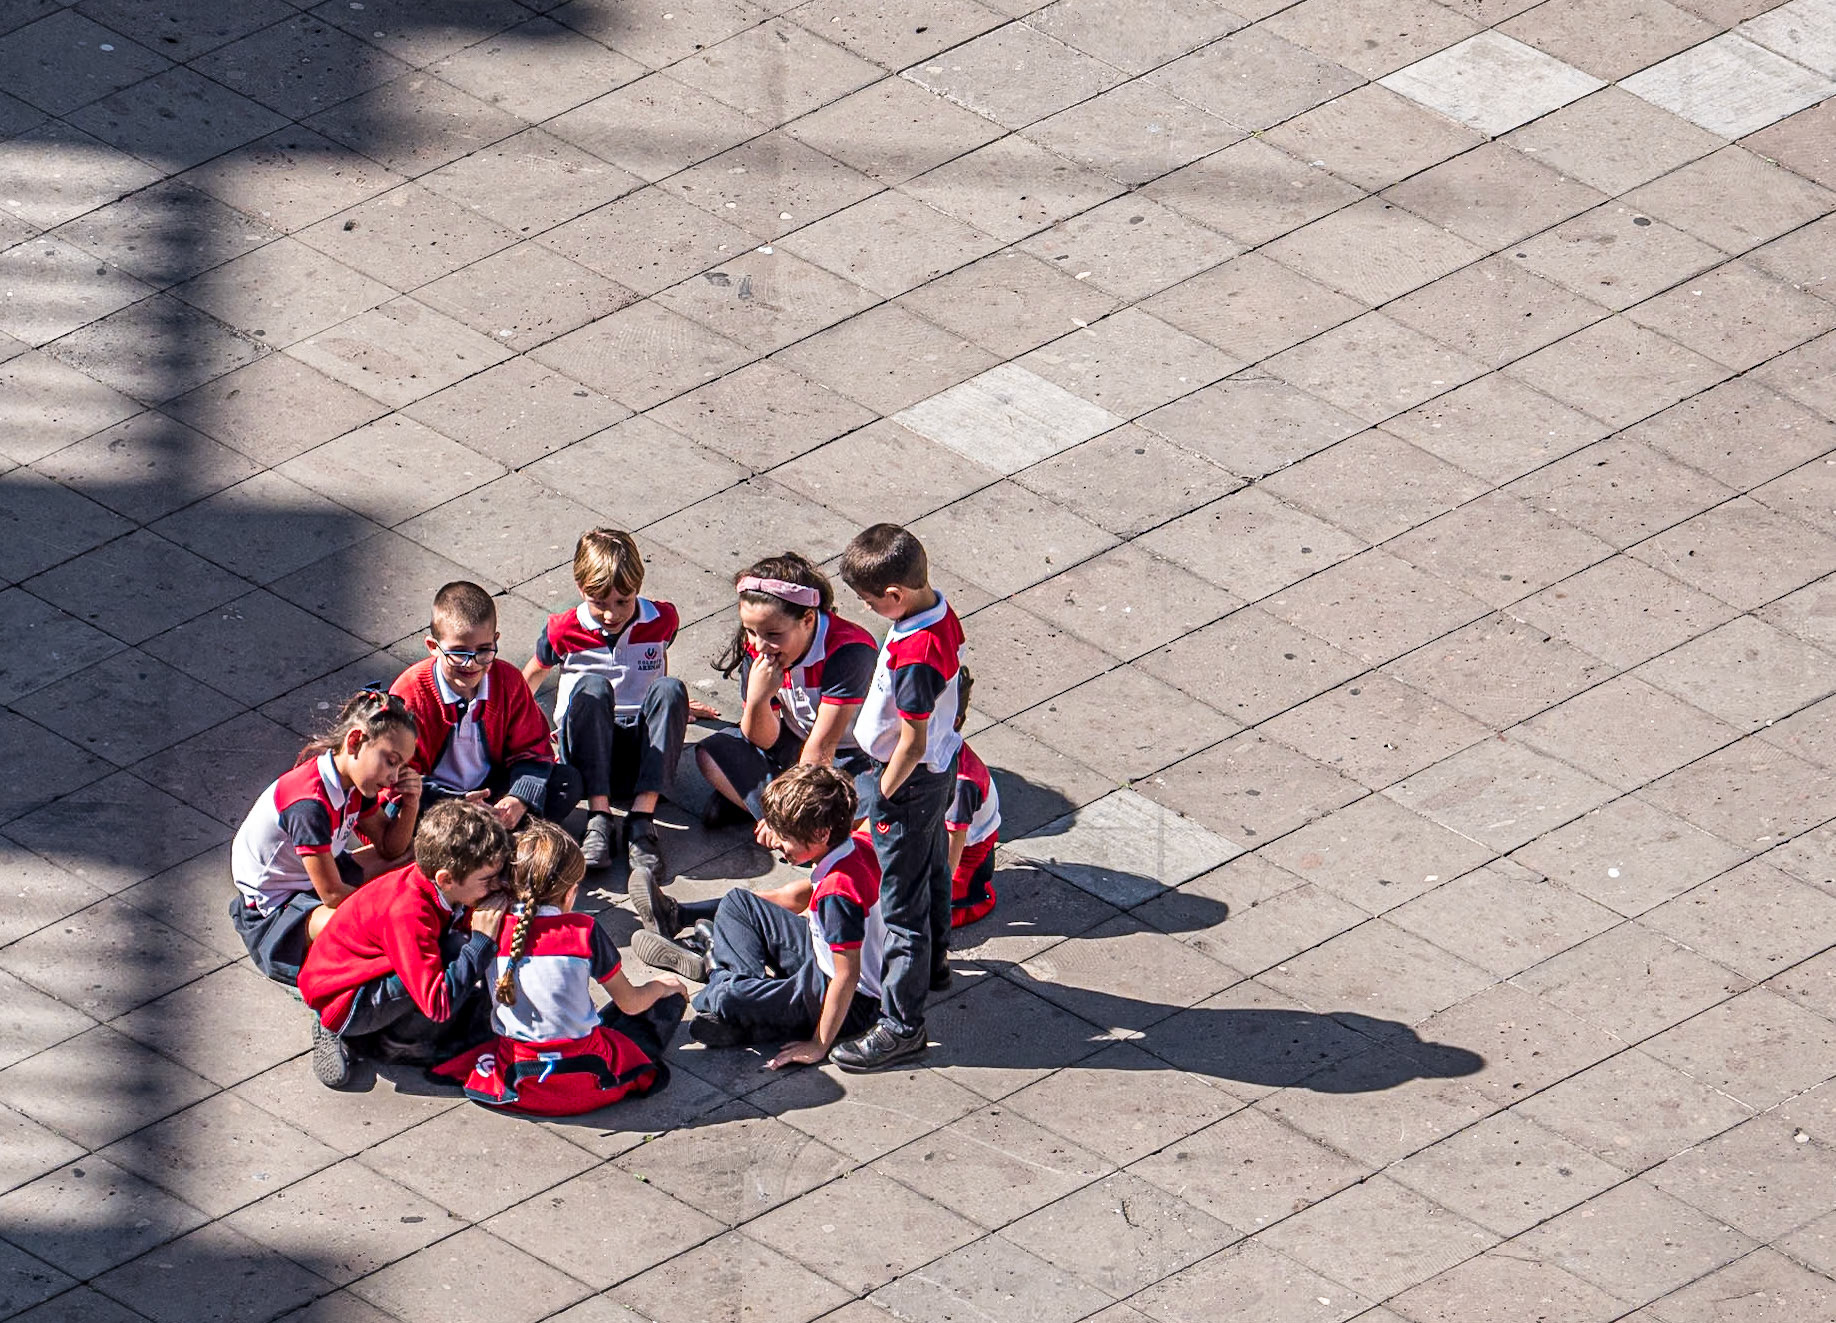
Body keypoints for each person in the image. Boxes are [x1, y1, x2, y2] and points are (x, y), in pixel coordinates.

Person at [633, 765, 883, 1070]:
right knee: (738, 903)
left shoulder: (837, 893)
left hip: (848, 1001)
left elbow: (847, 975)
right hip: (819, 960)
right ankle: (737, 988)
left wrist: (818, 1045)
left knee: (728, 996)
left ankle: (719, 971)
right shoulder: (855, 845)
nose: (776, 843)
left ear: (821, 833)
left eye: (785, 836)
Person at [432, 820, 685, 1114]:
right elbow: (630, 1003)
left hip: (520, 1086)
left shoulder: (491, 926)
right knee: (655, 1009)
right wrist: (663, 986)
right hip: (589, 1084)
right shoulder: (584, 930)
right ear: (571, 893)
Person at [831, 524, 966, 1072]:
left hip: (906, 780)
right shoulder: (935, 612)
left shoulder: (915, 652)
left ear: (894, 595)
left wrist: (883, 796)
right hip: (938, 768)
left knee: (901, 905)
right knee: (930, 868)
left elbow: (910, 739)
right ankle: (934, 966)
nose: (868, 609)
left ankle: (902, 1026)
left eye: (869, 602)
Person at [522, 529, 716, 881]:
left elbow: (658, 665)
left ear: (637, 589)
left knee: (672, 689)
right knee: (594, 688)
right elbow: (528, 680)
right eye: (600, 603)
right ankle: (599, 817)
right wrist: (520, 733)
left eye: (622, 602)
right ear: (581, 589)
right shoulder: (562, 629)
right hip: (587, 752)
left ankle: (642, 819)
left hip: (638, 755)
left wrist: (672, 710)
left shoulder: (662, 619)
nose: (611, 615)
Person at [299, 799, 513, 1089]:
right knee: (459, 954)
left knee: (456, 951)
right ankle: (377, 1042)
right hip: (346, 999)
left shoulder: (438, 888)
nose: (497, 885)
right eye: (488, 879)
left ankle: (391, 1033)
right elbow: (437, 1004)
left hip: (366, 972)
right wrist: (481, 942)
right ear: (446, 879)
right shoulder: (409, 913)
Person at [229, 690, 421, 986]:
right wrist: (393, 910)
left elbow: (391, 847)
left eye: (401, 766)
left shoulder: (354, 784)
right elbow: (332, 895)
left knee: (413, 858)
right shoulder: (309, 805)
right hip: (275, 913)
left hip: (312, 880)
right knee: (368, 927)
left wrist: (411, 803)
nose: (394, 777)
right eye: (391, 761)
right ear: (355, 741)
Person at [691, 553, 880, 835]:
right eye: (750, 631)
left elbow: (822, 748)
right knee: (712, 755)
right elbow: (762, 739)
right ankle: (800, 826)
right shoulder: (757, 647)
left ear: (807, 619)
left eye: (773, 634)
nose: (760, 644)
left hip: (850, 756)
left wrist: (789, 811)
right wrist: (758, 699)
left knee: (873, 805)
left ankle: (778, 817)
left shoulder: (848, 652)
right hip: (792, 745)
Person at [392, 581, 581, 829]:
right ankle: (496, 841)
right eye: (458, 652)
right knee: (402, 816)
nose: (471, 664)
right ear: (433, 648)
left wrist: (518, 799)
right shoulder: (410, 694)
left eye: (483, 650)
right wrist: (455, 806)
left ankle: (490, 836)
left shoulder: (508, 681)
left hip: (491, 790)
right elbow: (396, 777)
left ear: (495, 640)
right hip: (436, 801)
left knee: (568, 783)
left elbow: (533, 749)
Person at [944, 672, 1000, 928]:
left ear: (954, 721)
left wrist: (932, 893)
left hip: (967, 852)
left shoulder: (962, 781)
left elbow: (952, 852)